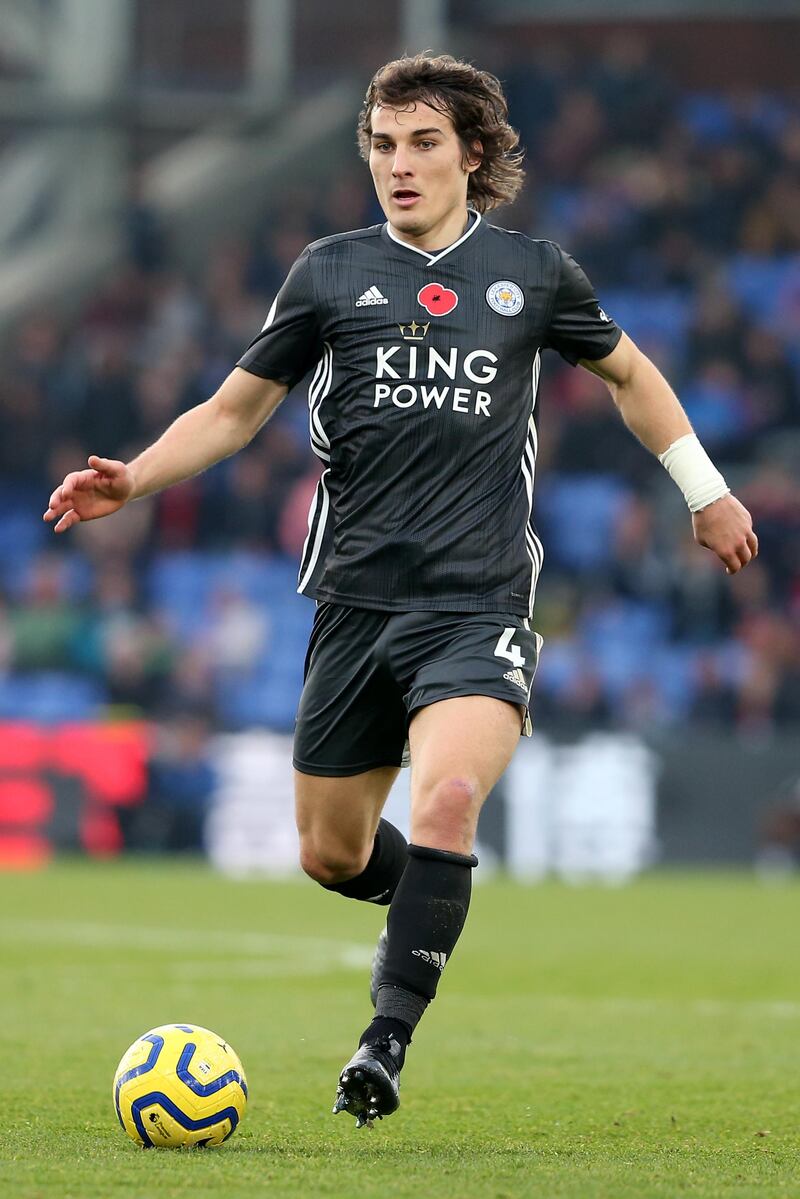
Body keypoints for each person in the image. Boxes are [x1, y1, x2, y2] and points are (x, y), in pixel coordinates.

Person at [44, 53, 759, 1129]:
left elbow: (629, 375)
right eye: (381, 144)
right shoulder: (328, 274)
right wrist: (134, 475)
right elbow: (234, 411)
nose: (398, 165)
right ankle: (435, 892)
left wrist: (702, 491)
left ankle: (384, 1040)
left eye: (422, 142)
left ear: (471, 154)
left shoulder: (532, 273)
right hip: (352, 606)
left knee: (448, 798)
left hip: (478, 601)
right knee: (330, 850)